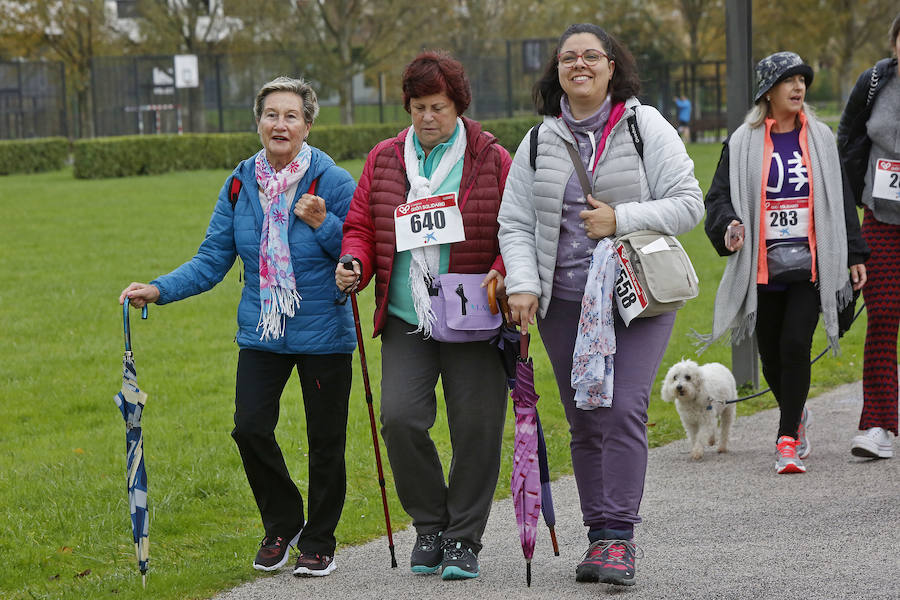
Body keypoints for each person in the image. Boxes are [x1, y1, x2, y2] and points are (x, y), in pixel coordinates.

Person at [119, 76, 356, 577]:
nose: (280, 124)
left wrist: (325, 225)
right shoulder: (239, 182)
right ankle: (284, 520)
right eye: (271, 114)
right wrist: (158, 290)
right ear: (258, 121)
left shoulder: (331, 181)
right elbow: (212, 259)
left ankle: (318, 540)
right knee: (249, 428)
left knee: (325, 441)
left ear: (308, 125)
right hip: (263, 331)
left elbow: (359, 252)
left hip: (322, 333)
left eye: (291, 115)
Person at [498, 23, 703, 587]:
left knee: (623, 409)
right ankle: (598, 538)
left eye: (592, 56)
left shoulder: (644, 126)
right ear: (556, 70)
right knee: (585, 419)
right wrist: (522, 282)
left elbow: (689, 204)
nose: (580, 65)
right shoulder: (538, 141)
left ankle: (620, 538)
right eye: (569, 58)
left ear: (613, 66)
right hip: (563, 304)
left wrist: (622, 218)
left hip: (634, 300)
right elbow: (514, 222)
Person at [335, 51, 510, 581]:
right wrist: (355, 263)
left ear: (457, 105)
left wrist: (503, 272)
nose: (428, 117)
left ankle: (463, 539)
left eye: (438, 106)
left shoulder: (491, 157)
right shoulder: (385, 158)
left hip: (473, 313)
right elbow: (361, 226)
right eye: (417, 107)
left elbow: (516, 227)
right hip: (409, 315)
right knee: (401, 419)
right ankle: (430, 523)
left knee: (476, 428)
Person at [704, 52, 868, 475]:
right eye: (787, 81)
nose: (798, 88)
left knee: (796, 345)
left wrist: (853, 253)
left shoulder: (821, 139)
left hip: (812, 267)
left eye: (801, 80)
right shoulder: (743, 142)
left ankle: (787, 439)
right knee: (772, 358)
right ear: (767, 91)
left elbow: (841, 199)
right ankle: (796, 413)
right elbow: (718, 198)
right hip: (762, 269)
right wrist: (730, 225)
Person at [837, 13, 900, 459]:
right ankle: (877, 423)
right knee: (882, 315)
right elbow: (849, 134)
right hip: (880, 219)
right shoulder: (876, 80)